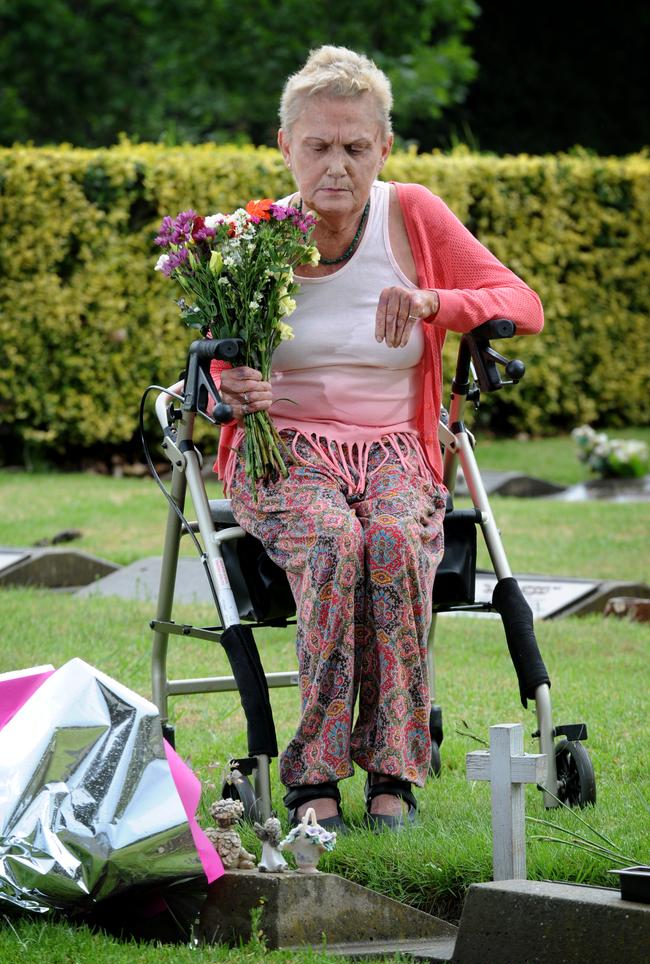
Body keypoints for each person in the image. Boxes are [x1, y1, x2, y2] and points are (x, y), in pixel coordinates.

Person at [217, 45, 543, 831]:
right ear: (285, 145)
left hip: (395, 446)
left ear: (383, 148)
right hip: (285, 451)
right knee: (333, 541)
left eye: (356, 147)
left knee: (394, 542)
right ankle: (314, 776)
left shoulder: (413, 215)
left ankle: (395, 771)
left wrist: (436, 301)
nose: (337, 165)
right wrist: (237, 388)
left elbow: (520, 303)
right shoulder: (246, 239)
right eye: (319, 146)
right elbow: (218, 370)